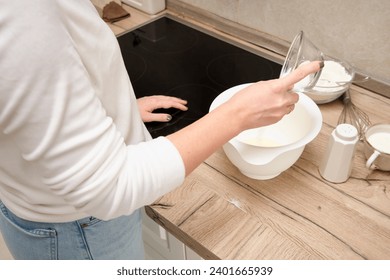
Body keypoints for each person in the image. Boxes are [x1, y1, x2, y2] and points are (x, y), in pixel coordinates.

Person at [0, 0, 322, 259]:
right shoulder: (21, 12)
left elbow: (31, 92)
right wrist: (238, 113)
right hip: (78, 230)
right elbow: (108, 186)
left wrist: (108, 109)